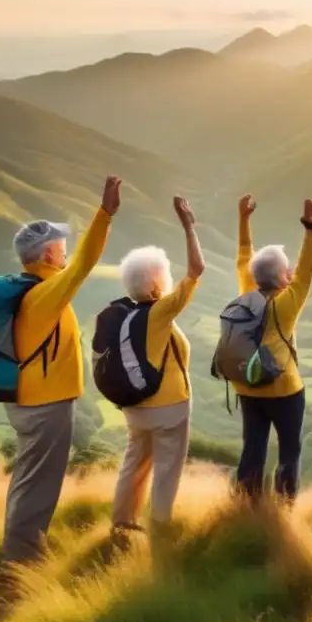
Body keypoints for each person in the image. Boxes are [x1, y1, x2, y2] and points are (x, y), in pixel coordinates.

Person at [3, 175, 121, 563]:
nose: (65, 251)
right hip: (46, 405)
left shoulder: (28, 290)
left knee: (29, 481)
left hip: (29, 398)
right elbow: (85, 263)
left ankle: (20, 556)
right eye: (60, 246)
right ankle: (21, 569)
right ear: (48, 255)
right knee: (39, 486)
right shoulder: (46, 291)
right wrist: (104, 215)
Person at [110, 196, 205, 538]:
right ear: (154, 284)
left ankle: (121, 524)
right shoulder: (160, 313)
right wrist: (188, 225)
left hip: (136, 407)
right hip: (169, 409)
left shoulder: (126, 313)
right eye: (163, 275)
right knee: (166, 470)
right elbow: (197, 270)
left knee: (133, 463)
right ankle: (161, 531)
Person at [233, 194, 312, 500]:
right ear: (281, 278)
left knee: (252, 449)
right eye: (286, 271)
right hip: (285, 390)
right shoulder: (287, 305)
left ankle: (244, 508)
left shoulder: (246, 292)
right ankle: (284, 509)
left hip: (248, 387)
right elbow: (306, 273)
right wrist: (311, 229)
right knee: (289, 453)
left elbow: (245, 257)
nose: (292, 273)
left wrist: (244, 219)